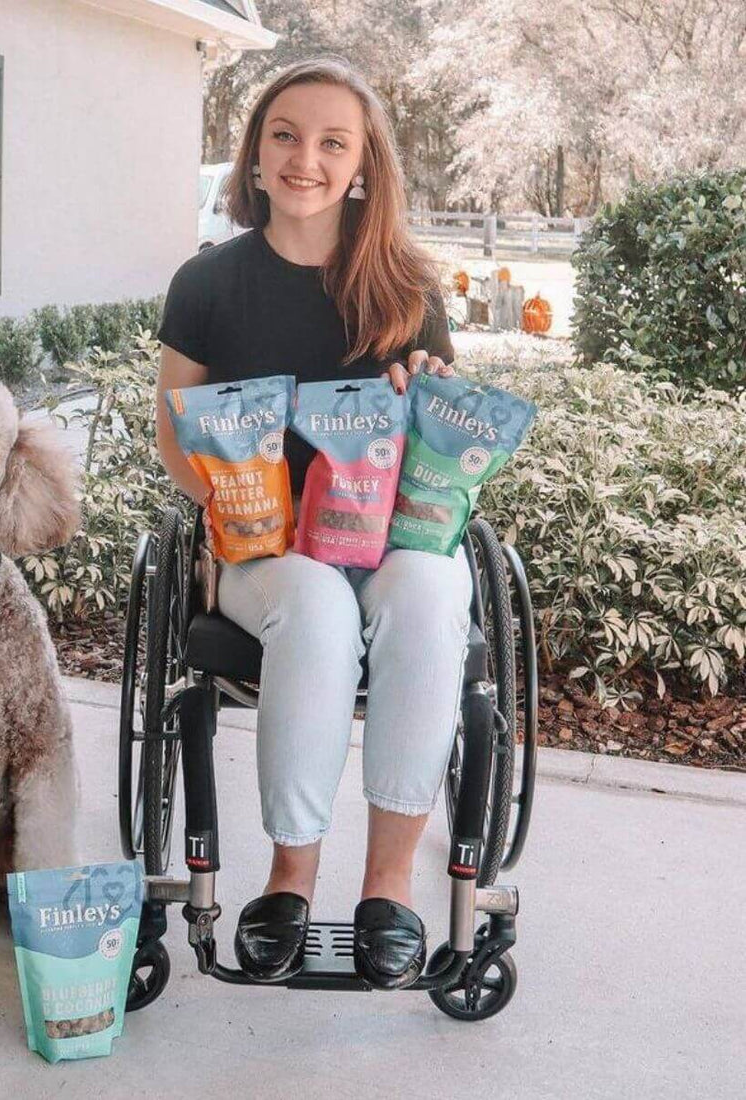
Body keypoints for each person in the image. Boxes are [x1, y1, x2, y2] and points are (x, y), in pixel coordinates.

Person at [153, 57, 472, 989]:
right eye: (285, 135)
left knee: (430, 587)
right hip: (265, 555)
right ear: (254, 158)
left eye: (334, 141)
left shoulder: (406, 287)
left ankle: (390, 888)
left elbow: (440, 442)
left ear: (363, 164)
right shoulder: (207, 284)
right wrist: (230, 505)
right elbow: (176, 439)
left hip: (382, 542)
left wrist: (433, 405)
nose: (306, 158)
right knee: (316, 603)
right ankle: (291, 877)